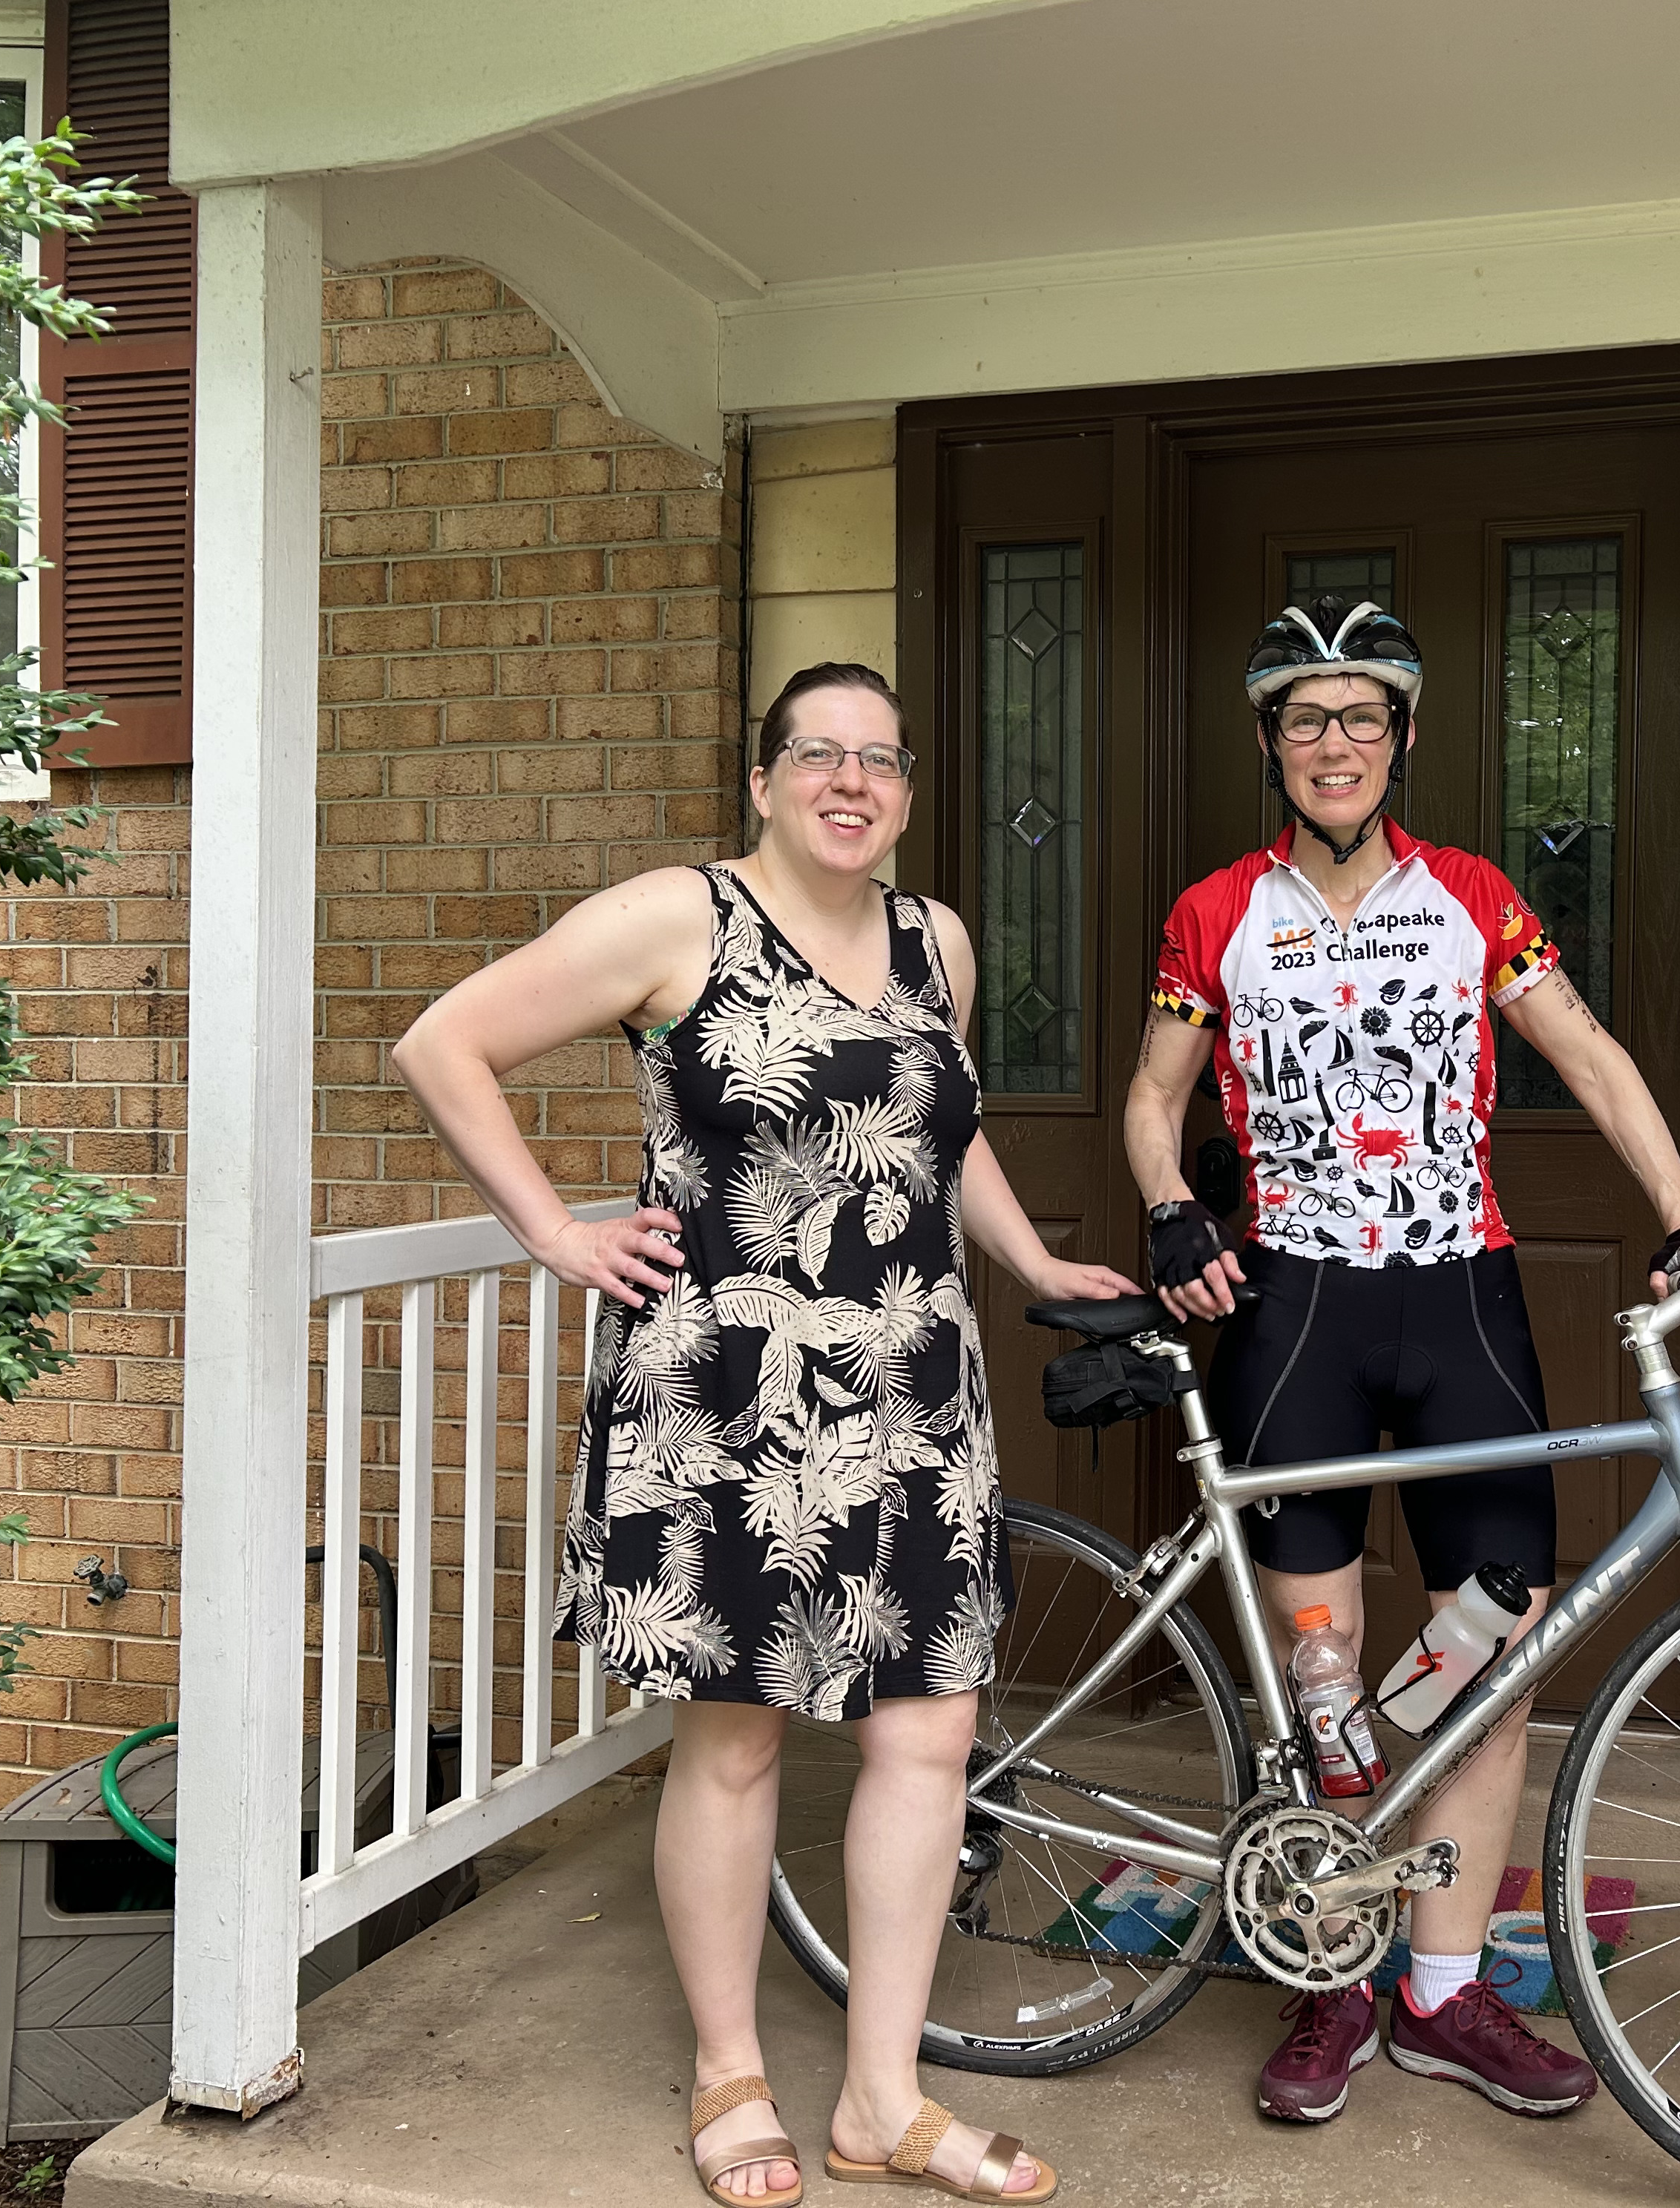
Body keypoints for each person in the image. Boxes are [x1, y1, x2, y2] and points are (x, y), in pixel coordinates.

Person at [396, 663, 1135, 2207]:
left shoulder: (938, 940)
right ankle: (732, 2072)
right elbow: (444, 1045)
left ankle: (882, 2098)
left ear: (908, 788)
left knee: (929, 1730)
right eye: (819, 755)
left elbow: (946, 1128)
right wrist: (556, 1231)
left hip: (917, 1389)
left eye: (880, 759)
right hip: (726, 1390)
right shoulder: (679, 919)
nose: (849, 782)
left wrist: (1033, 1259)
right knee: (734, 1736)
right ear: (764, 778)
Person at [1123, 597, 1680, 2126]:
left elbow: (1587, 1053)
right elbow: (1152, 1096)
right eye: (1307, 718)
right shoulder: (1215, 915)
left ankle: (1444, 1993)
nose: (1337, 744)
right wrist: (1171, 1205)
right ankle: (1333, 1974)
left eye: (1364, 717)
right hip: (1295, 1316)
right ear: (1271, 743)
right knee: (1325, 1679)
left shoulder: (1470, 895)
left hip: (1463, 1304)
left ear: (1399, 741)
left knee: (1491, 1661)